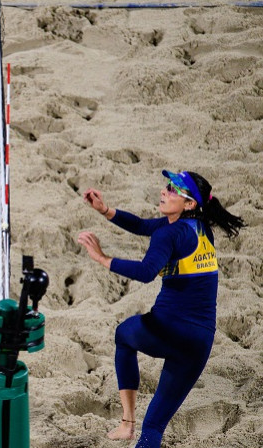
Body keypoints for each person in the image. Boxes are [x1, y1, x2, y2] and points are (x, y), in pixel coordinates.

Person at [77, 170, 246, 447]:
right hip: (200, 342)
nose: (165, 191)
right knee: (153, 427)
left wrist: (102, 258)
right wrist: (105, 210)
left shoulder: (169, 233)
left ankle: (126, 422)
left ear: (189, 204)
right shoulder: (201, 227)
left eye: (174, 190)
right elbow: (144, 225)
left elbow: (146, 272)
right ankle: (135, 430)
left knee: (123, 334)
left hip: (168, 329)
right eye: (167, 186)